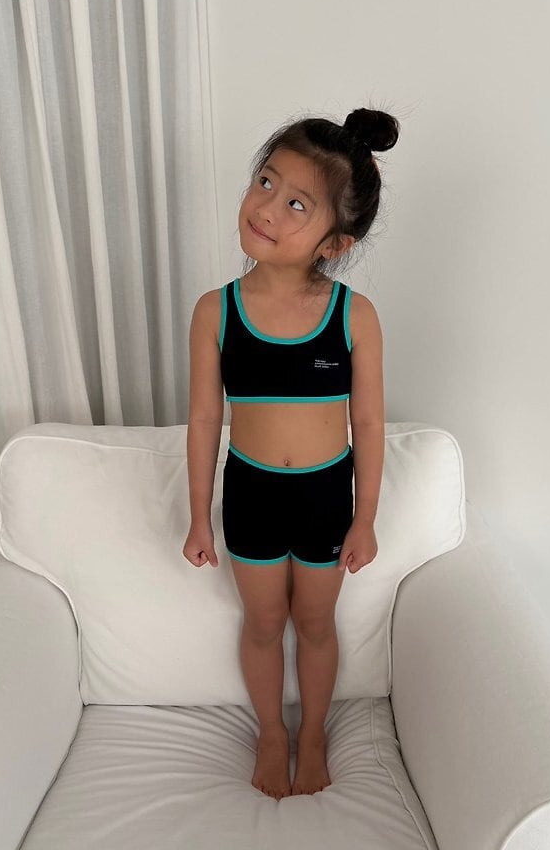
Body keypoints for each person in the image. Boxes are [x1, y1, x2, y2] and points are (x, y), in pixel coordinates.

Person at [183, 107, 398, 801]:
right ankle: (272, 732)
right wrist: (198, 516)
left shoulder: (353, 316)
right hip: (250, 497)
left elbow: (368, 423)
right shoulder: (215, 311)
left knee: (314, 623)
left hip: (325, 499)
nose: (268, 207)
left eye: (297, 203)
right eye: (266, 182)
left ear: (334, 243)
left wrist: (365, 518)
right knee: (264, 623)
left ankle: (315, 734)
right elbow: (204, 418)